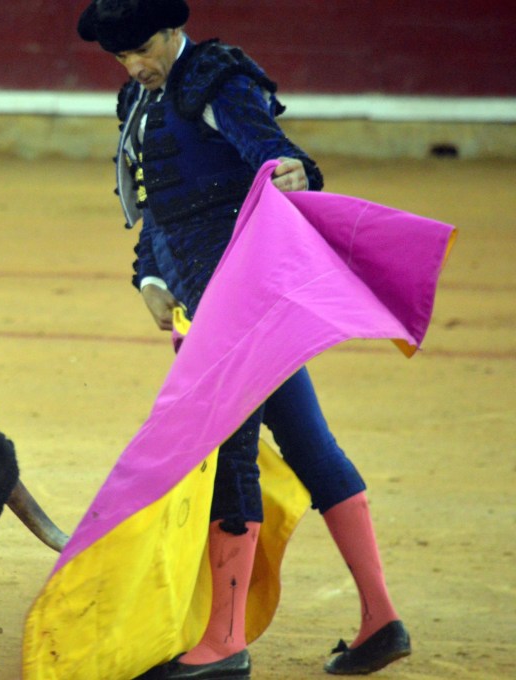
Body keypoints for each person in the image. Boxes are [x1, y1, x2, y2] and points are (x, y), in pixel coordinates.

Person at [76, 1, 412, 678]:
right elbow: (161, 206)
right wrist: (149, 277)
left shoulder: (216, 79)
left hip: (245, 299)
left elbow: (273, 153)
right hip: (206, 304)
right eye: (120, 57)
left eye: (143, 49)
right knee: (309, 444)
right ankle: (382, 620)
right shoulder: (140, 101)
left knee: (230, 453)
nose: (134, 66)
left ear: (174, 31)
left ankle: (226, 643)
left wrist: (294, 171)